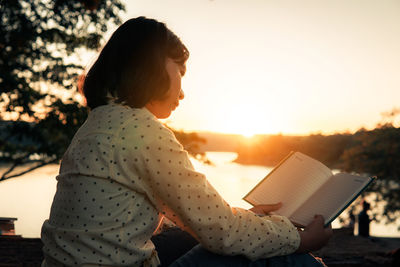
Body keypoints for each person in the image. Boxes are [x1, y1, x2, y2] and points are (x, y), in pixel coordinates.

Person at [41, 17, 332, 266]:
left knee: (208, 235)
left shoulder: (99, 121)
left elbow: (193, 218)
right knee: (279, 256)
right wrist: (300, 238)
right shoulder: (143, 132)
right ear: (151, 66)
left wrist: (245, 218)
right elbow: (221, 233)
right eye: (180, 71)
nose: (182, 94)